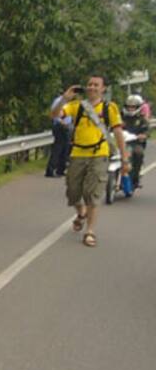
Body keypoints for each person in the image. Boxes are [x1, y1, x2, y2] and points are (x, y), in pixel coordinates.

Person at [50, 75, 128, 247]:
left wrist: (124, 157)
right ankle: (81, 213)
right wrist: (64, 98)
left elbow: (117, 132)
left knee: (93, 194)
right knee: (72, 192)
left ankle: (90, 231)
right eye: (90, 84)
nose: (92, 87)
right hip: (77, 153)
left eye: (96, 85)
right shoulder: (76, 106)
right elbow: (55, 114)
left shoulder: (109, 108)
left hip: (99, 154)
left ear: (103, 89)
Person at [121, 94, 149, 189]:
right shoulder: (120, 116)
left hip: (135, 143)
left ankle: (135, 178)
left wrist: (143, 135)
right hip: (121, 142)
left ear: (138, 107)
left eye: (133, 107)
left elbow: (146, 130)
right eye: (129, 106)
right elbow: (113, 126)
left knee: (138, 153)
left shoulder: (141, 118)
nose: (130, 108)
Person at [45, 95, 71, 177]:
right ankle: (50, 170)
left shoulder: (69, 102)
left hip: (67, 126)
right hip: (59, 126)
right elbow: (54, 113)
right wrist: (61, 122)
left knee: (65, 148)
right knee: (58, 148)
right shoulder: (59, 101)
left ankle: (61, 170)